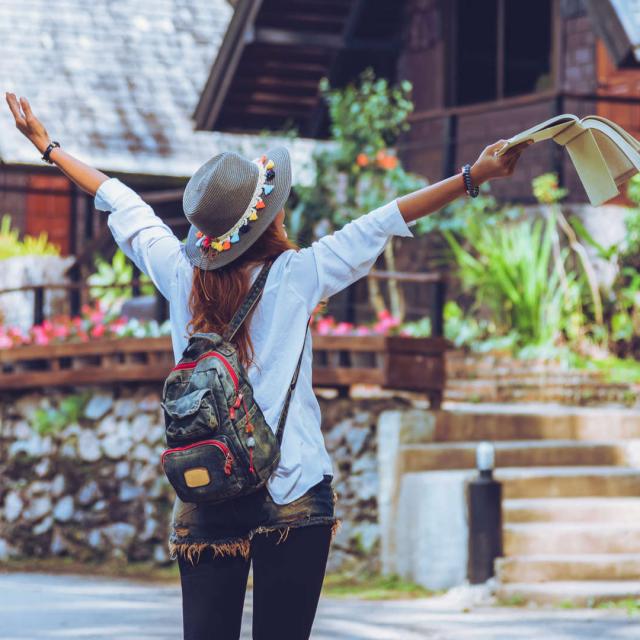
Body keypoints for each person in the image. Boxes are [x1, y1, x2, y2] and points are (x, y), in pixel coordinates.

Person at [5, 92, 530, 639]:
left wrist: (50, 147)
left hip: (208, 486)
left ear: (205, 233)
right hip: (294, 488)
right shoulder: (298, 274)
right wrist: (475, 175)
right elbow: (383, 220)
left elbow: (121, 201)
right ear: (269, 218)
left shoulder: (178, 273)